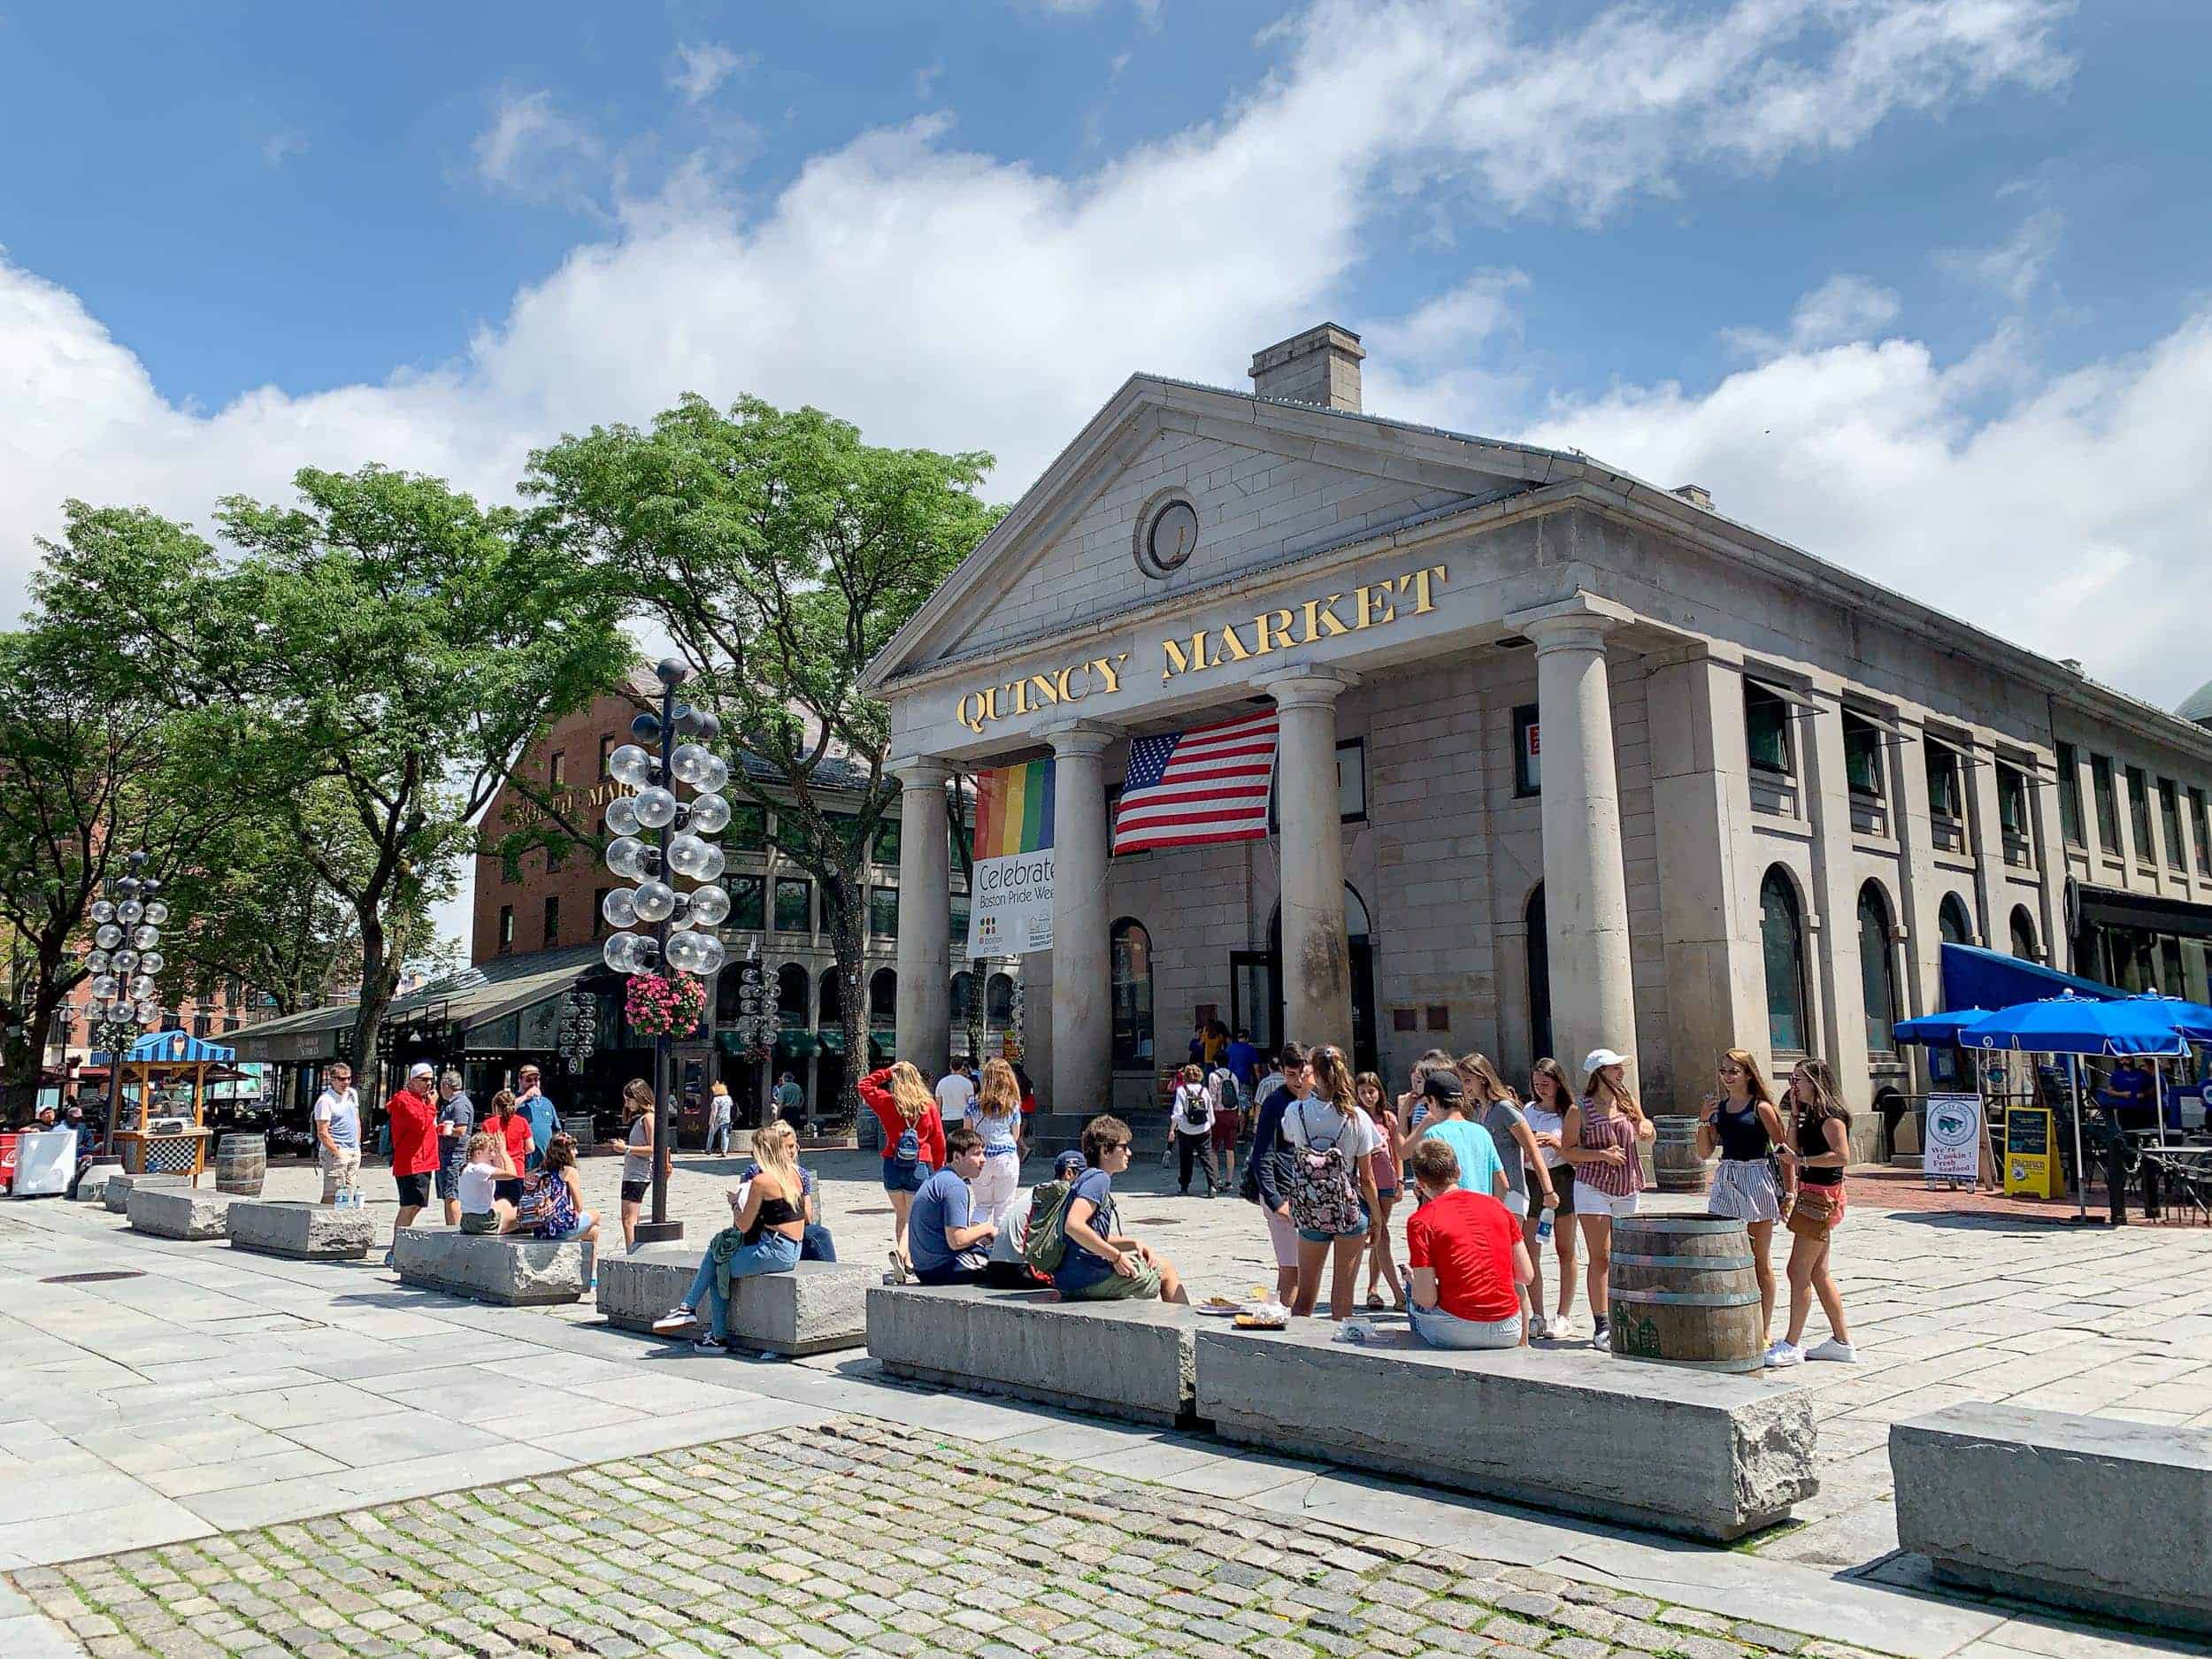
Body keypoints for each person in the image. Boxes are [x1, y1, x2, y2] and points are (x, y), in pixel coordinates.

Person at [650, 1122, 809, 1352]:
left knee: (718, 1267)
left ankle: (704, 1324)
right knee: (718, 1252)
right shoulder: (795, 1173)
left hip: (773, 1249)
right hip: (792, 1248)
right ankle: (696, 1318)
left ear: (761, 1152)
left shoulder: (762, 1181)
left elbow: (743, 1225)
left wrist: (735, 1201)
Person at [1559, 1047, 1654, 1351]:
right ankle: (1602, 1323)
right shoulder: (1580, 1109)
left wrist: (1646, 1127)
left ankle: (1625, 1314)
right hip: (1593, 1186)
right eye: (1614, 1068)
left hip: (1628, 1184)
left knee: (1624, 1255)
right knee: (1601, 1255)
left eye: (1620, 1067)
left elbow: (1647, 1130)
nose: (1621, 1072)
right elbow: (1568, 1150)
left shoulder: (1627, 1102)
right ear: (1599, 1073)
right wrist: (1601, 1155)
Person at [1768, 1058, 1858, 1367]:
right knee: (1818, 1273)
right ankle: (1841, 1341)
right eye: (1792, 1079)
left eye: (1799, 1080)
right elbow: (1791, 1151)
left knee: (1798, 1271)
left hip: (1822, 1197)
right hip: (1811, 1194)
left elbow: (1842, 1156)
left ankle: (1792, 1343)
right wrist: (1794, 1114)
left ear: (1816, 1083)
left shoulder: (1832, 1118)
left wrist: (1802, 1162)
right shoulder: (1809, 1115)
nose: (1793, 1085)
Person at [1282, 1045, 1383, 1321]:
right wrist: (1377, 1217)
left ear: (1311, 1072)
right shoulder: (1357, 1116)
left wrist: (1304, 1093)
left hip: (1311, 1209)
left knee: (1304, 1297)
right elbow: (1367, 1177)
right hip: (1348, 1211)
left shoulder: (1296, 1112)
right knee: (1343, 1296)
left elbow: (1291, 1138)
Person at [1404, 1137, 1532, 1349]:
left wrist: (1414, 1281)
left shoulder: (1421, 1221)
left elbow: (1426, 1299)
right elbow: (1525, 1275)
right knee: (1511, 1279)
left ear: (1420, 1183)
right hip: (1508, 1327)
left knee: (1413, 1289)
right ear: (1458, 1172)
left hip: (1457, 1328)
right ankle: (1524, 1346)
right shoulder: (1497, 1207)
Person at [1462, 1052, 1558, 1333]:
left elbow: (1532, 1150)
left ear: (1482, 1078)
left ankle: (1525, 1324)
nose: (1465, 1086)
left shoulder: (1505, 1108)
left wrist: (1548, 1190)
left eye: (1468, 1080)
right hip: (1491, 1194)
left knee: (1510, 1260)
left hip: (1513, 1193)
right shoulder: (1481, 1111)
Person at [1698, 1048, 1789, 1340]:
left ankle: (1763, 1329)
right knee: (1726, 1251)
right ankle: (1734, 1320)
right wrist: (1704, 1121)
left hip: (1756, 1176)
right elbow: (1704, 1151)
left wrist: (1789, 1192)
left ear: (1748, 1073)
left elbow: (1783, 1150)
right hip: (1728, 1177)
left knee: (1758, 1258)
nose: (1727, 1077)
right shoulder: (1720, 1109)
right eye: (1723, 1071)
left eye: (1733, 1071)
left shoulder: (1761, 1107)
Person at [1055, 1115, 1187, 1303]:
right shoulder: (1099, 1179)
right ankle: (1187, 1325)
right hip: (1090, 1279)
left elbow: (1091, 1234)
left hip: (1070, 1279)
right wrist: (1116, 1257)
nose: (1129, 1153)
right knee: (1166, 1270)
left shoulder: (1084, 1178)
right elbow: (1074, 1226)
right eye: (1123, 1147)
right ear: (1105, 1151)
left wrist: (1132, 1243)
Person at [859, 1060, 947, 1274]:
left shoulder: (887, 1102)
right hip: (920, 1164)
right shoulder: (928, 1106)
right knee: (912, 1217)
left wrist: (887, 1072)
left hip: (892, 1162)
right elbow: (938, 1140)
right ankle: (901, 1253)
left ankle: (906, 1262)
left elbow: (864, 1085)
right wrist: (939, 1168)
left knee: (901, 1215)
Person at [1522, 1057, 1581, 1340]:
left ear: (1558, 1083)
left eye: (1546, 1084)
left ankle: (1564, 1314)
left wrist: (1556, 1143)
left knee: (1565, 1248)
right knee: (1531, 1249)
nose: (1541, 1089)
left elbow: (1576, 1153)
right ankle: (1536, 1313)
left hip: (1561, 1177)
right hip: (1533, 1179)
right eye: (1536, 1085)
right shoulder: (1528, 1109)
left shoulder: (1567, 1113)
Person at [895, 1125, 998, 1286]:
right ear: (957, 1157)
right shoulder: (955, 1187)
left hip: (925, 1266)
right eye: (977, 1154)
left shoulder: (939, 1178)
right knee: (1009, 1267)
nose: (983, 1160)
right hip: (941, 1268)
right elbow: (956, 1241)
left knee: (990, 1253)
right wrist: (987, 1229)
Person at [1246, 1041, 1305, 1305]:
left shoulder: (1314, 1101)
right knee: (1292, 1269)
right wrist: (1275, 1200)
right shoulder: (1275, 1102)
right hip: (1282, 1192)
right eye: (1291, 1075)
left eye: (1302, 1075)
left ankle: (1277, 1316)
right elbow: (1262, 1154)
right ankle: (1284, 1325)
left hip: (1304, 1192)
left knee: (1296, 1268)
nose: (1297, 1081)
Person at [517, 1133, 600, 1290]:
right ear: (565, 1153)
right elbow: (579, 1207)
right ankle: (592, 1276)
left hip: (541, 1229)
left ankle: (591, 1274)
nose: (576, 1152)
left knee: (594, 1232)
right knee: (596, 1215)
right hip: (559, 1228)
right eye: (573, 1148)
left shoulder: (540, 1170)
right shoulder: (569, 1171)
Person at [1414, 1071, 1509, 1200]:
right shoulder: (1482, 1132)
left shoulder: (1433, 1134)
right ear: (1461, 1100)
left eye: (1427, 1104)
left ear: (1433, 1100)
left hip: (1452, 1214)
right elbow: (1503, 1184)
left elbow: (1432, 1186)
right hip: (1482, 1213)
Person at [1356, 1071, 1405, 1310]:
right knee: (1381, 1235)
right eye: (1363, 1092)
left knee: (1378, 1237)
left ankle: (1373, 1288)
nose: (1367, 1096)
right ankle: (1398, 1294)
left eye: (1371, 1091)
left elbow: (1397, 1151)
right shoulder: (1354, 1118)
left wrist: (1400, 1180)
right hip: (1363, 1185)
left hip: (1386, 1182)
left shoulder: (1388, 1119)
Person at [384, 1063, 440, 1267]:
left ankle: (400, 1245)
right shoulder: (404, 1100)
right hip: (411, 1162)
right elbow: (420, 1124)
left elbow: (427, 1126)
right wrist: (432, 1105)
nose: (429, 1084)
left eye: (431, 1080)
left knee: (416, 1205)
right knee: (408, 1206)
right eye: (424, 1079)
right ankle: (395, 1250)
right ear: (412, 1080)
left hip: (424, 1161)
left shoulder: (421, 1100)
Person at [602, 1079, 664, 1254]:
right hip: (633, 1173)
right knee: (627, 1218)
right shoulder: (643, 1119)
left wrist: (627, 1148)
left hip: (638, 1174)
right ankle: (632, 1251)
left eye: (629, 1100)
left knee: (629, 1219)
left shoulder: (648, 1119)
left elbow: (653, 1148)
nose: (627, 1104)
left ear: (639, 1097)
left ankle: (632, 1253)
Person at [967, 1058, 1025, 1231]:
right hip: (1005, 1156)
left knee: (982, 1205)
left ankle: (977, 1239)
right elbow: (1015, 1135)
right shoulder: (1012, 1104)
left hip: (980, 1157)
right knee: (1004, 1205)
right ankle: (999, 1247)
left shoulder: (973, 1103)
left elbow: (967, 1131)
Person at [312, 1063, 361, 1208]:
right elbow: (322, 1131)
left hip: (353, 1150)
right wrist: (336, 1152)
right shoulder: (325, 1101)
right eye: (341, 1079)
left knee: (349, 1193)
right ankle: (322, 1222)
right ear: (332, 1080)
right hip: (336, 1151)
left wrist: (357, 1145)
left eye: (348, 1078)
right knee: (332, 1194)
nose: (345, 1082)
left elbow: (356, 1120)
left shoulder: (352, 1094)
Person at [1170, 1064, 1220, 1196]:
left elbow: (1177, 1112)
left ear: (1185, 1077)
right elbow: (1210, 1112)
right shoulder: (1204, 1091)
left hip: (1186, 1130)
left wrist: (1174, 1128)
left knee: (1186, 1159)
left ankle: (1184, 1187)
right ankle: (1212, 1186)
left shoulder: (1181, 1090)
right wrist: (1209, 1123)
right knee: (1207, 1157)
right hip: (1203, 1129)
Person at [434, 1071, 476, 1228]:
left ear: (446, 1085)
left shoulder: (460, 1104)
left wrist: (442, 1130)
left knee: (452, 1195)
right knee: (448, 1195)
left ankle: (455, 1231)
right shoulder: (453, 1103)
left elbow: (461, 1130)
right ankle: (450, 1228)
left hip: (454, 1156)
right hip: (446, 1154)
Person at [481, 1089, 532, 1207]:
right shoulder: (522, 1122)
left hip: (498, 1171)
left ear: (496, 1107)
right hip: (517, 1171)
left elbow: (485, 1151)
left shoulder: (489, 1124)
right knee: (516, 1210)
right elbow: (530, 1147)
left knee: (499, 1210)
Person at [455, 1133, 511, 1235]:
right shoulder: (480, 1169)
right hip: (482, 1222)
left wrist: (497, 1154)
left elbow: (501, 1171)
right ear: (478, 1153)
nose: (492, 1155)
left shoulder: (468, 1167)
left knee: (504, 1203)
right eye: (490, 1151)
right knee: (523, 1215)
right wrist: (504, 1152)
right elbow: (511, 1174)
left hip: (467, 1220)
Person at [513, 1064, 562, 1171]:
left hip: (545, 1162)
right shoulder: (513, 1099)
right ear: (520, 1080)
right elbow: (505, 1111)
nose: (533, 1083)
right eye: (529, 1080)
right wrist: (525, 1097)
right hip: (522, 1161)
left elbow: (556, 1130)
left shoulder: (546, 1103)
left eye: (536, 1080)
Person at [1209, 1056, 1245, 1195]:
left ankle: (1216, 1179)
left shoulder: (1214, 1075)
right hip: (1232, 1114)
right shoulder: (1233, 1076)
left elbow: (1212, 1097)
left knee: (1213, 1149)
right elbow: (1237, 1095)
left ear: (1216, 1062)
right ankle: (1229, 1181)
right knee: (1230, 1149)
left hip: (1219, 1115)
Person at [62, 1101, 98, 1199]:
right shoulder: (61, 1127)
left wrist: (88, 1151)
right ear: (69, 1117)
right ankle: (71, 1190)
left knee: (89, 1159)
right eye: (76, 1118)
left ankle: (78, 1188)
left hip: (78, 1153)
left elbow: (89, 1139)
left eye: (80, 1118)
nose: (78, 1120)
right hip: (64, 1155)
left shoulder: (82, 1127)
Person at [935, 1059, 976, 1125]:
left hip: (946, 1119)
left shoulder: (941, 1082)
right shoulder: (967, 1083)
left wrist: (937, 1122)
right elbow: (970, 1104)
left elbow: (938, 1105)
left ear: (950, 1067)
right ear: (962, 1067)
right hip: (962, 1119)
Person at [1225, 1027, 1260, 1094]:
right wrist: (1260, 1082)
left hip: (1230, 1080)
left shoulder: (1229, 1048)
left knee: (1232, 1103)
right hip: (1244, 1081)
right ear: (1247, 1038)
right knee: (1244, 1103)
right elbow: (1257, 1069)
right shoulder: (1251, 1049)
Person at [705, 1081, 733, 1156]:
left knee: (711, 1133)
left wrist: (711, 1121)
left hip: (717, 1119)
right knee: (725, 1135)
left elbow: (714, 1111)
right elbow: (731, 1106)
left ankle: (708, 1149)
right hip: (727, 1118)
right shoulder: (728, 1098)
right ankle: (724, 1151)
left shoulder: (716, 1099)